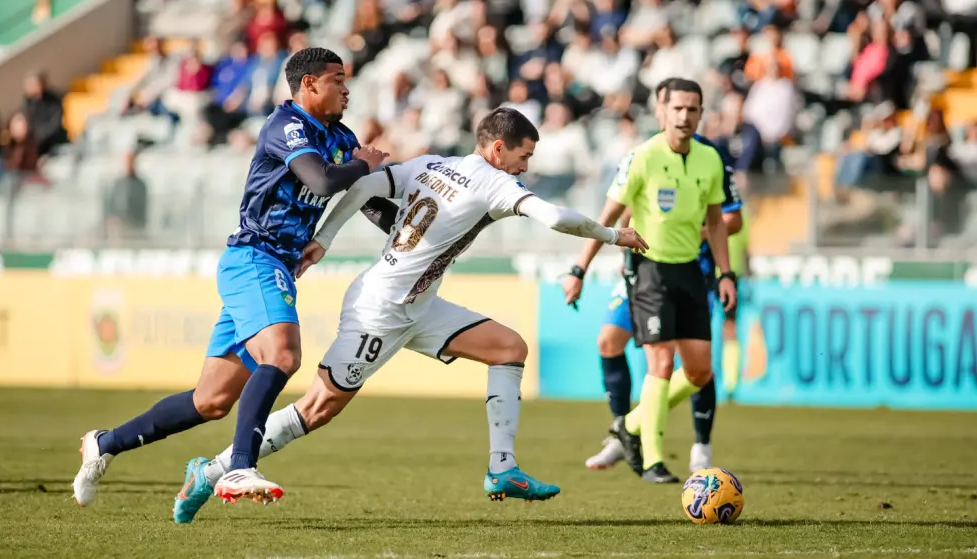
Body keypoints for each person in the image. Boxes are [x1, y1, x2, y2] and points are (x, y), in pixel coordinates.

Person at [171, 108, 648, 522]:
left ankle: (502, 469)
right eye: (524, 156)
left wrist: (327, 238)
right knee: (317, 409)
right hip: (379, 311)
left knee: (509, 349)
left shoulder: (432, 164)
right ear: (498, 149)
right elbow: (556, 218)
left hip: (419, 307)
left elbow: (365, 185)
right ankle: (210, 471)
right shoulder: (496, 184)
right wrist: (611, 235)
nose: (526, 167)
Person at [72, 48, 391, 510]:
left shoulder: (341, 137)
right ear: (309, 85)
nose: (346, 87)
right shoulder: (287, 126)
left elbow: (363, 196)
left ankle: (104, 443)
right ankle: (240, 465)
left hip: (275, 268)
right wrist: (364, 163)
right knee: (282, 353)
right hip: (254, 259)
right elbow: (322, 182)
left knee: (211, 400)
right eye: (337, 78)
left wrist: (419, 227)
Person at [561, 78, 736, 484]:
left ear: (700, 113)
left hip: (691, 270)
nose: (685, 116)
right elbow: (604, 221)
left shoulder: (710, 159)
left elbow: (716, 220)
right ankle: (653, 461)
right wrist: (579, 270)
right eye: (677, 108)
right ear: (661, 111)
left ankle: (629, 426)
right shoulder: (641, 158)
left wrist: (726, 273)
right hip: (649, 270)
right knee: (660, 361)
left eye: (692, 109)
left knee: (699, 373)